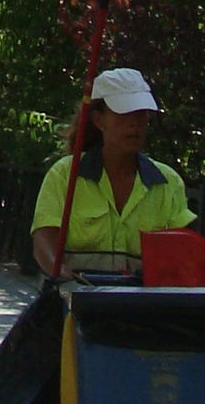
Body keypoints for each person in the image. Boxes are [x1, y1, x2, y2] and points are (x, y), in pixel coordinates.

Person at [31, 66, 194, 272]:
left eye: (141, 114)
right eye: (124, 113)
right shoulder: (65, 174)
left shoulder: (168, 182)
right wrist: (64, 278)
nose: (134, 123)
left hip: (143, 302)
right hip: (75, 298)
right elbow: (44, 243)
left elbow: (182, 253)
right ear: (99, 120)